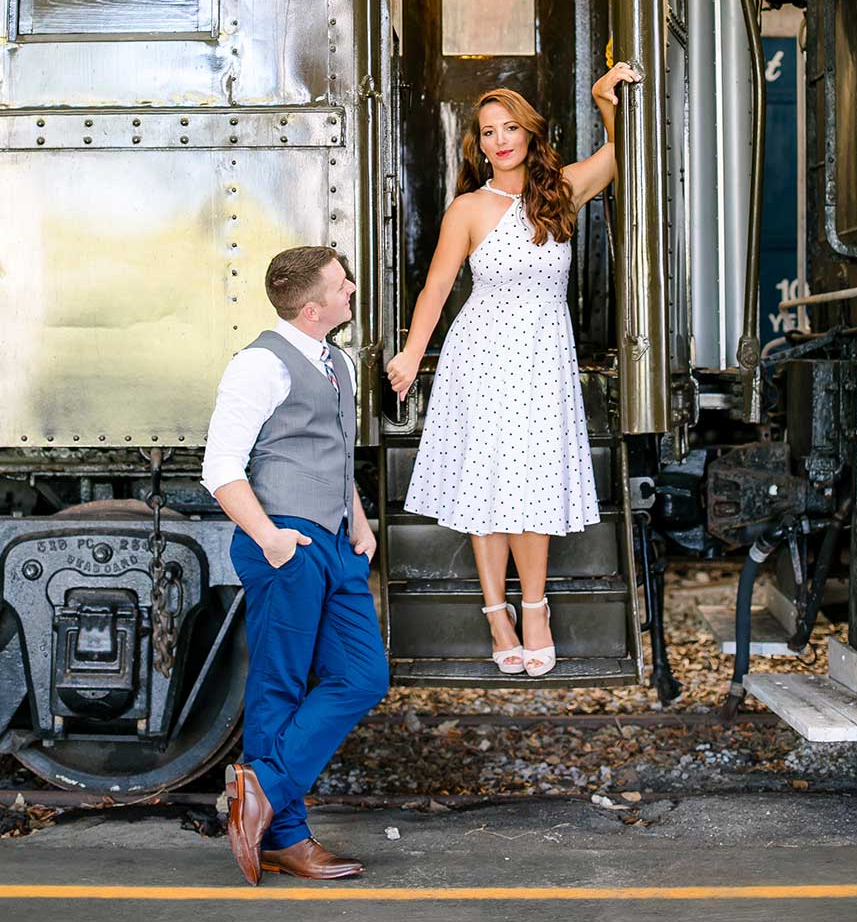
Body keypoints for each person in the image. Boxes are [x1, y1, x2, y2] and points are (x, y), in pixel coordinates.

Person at [386, 65, 638, 678]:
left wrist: (605, 98)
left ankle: (535, 609)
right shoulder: (468, 208)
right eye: (488, 132)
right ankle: (497, 614)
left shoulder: (561, 189)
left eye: (509, 128)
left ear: (528, 133)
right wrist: (412, 354)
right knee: (488, 495)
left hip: (542, 361)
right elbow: (438, 286)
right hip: (481, 360)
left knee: (531, 492)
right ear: (479, 143)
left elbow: (624, 154)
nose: (499, 140)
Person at [202, 245, 388, 886]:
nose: (353, 291)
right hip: (285, 544)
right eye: (343, 286)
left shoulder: (336, 361)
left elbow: (332, 454)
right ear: (311, 309)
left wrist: (357, 523)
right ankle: (286, 838)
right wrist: (272, 539)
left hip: (336, 543)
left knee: (364, 676)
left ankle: (261, 790)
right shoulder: (259, 364)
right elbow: (220, 467)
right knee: (278, 686)